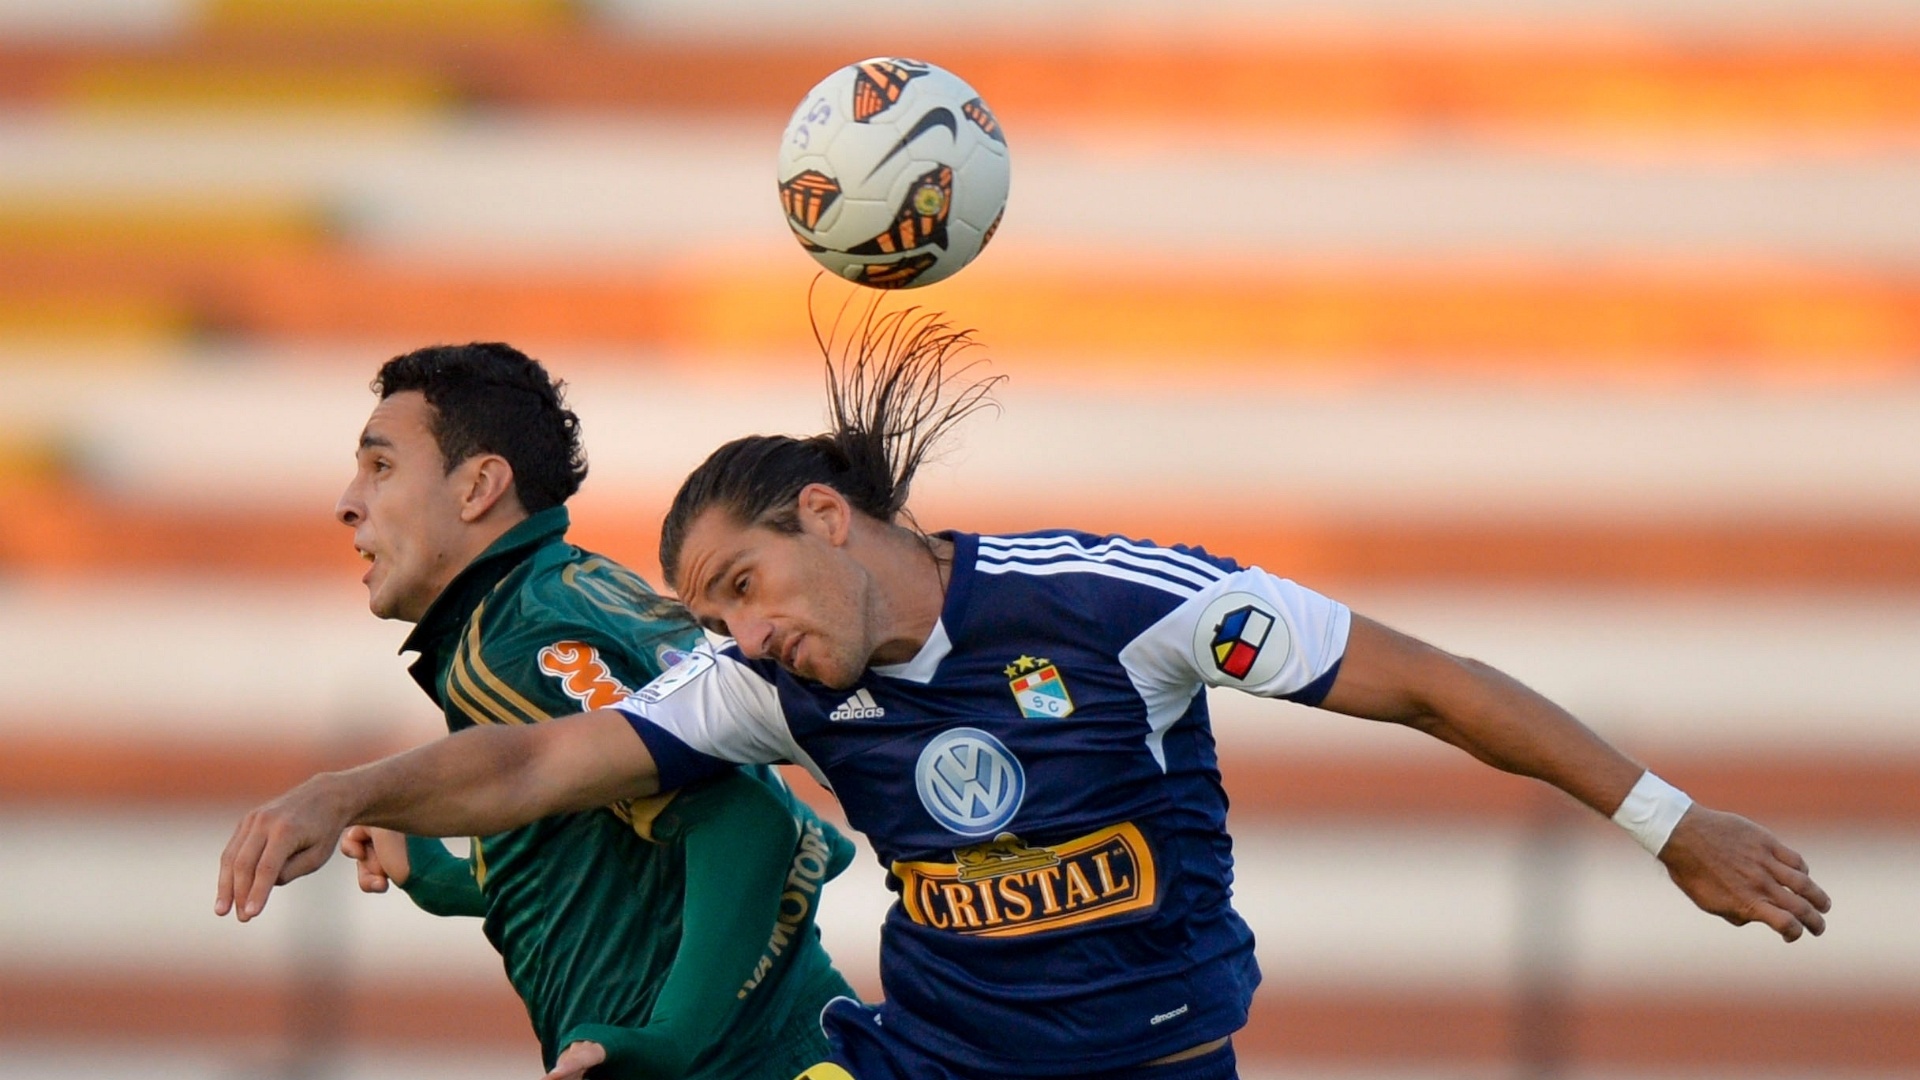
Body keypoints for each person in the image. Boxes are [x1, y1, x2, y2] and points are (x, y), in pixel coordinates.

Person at [220, 312, 1831, 1080]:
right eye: (710, 616)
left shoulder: (1120, 604)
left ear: (830, 522)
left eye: (743, 590)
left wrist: (1668, 821)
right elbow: (529, 771)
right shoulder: (781, 685)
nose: (738, 641)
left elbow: (1428, 686)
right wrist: (345, 796)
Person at [257, 341, 859, 1080]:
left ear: (479, 486)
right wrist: (437, 875)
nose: (348, 500)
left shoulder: (514, 646)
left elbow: (745, 822)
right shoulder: (577, 586)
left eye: (380, 467)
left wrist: (672, 1039)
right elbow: (619, 846)